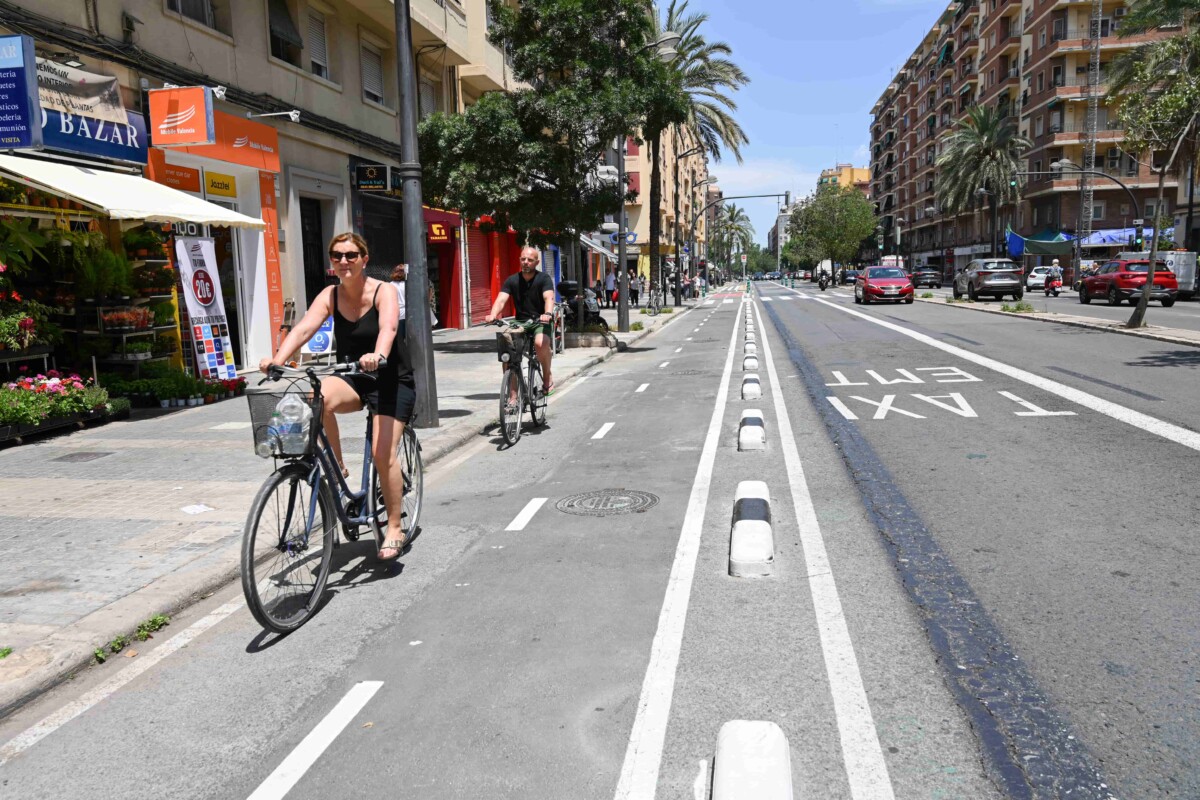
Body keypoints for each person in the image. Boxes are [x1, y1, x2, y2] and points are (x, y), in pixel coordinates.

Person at [260, 233, 415, 562]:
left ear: (364, 258)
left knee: (380, 451)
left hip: (390, 379)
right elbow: (304, 329)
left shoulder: (383, 290)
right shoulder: (330, 294)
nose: (343, 261)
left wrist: (378, 354)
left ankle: (395, 527)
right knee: (316, 394)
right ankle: (338, 467)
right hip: (354, 377)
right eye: (336, 256)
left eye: (350, 255)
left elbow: (388, 328)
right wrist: (277, 360)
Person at [485, 246, 556, 395]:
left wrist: (547, 313)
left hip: (540, 321)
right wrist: (493, 314)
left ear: (536, 262)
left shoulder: (544, 278)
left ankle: (547, 376)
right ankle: (513, 395)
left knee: (540, 343)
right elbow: (501, 300)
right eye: (523, 259)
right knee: (507, 350)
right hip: (520, 322)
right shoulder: (512, 280)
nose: (525, 262)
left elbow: (548, 297)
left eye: (530, 260)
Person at [390, 264, 407, 341]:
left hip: (396, 314)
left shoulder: (390, 285)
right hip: (408, 313)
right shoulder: (408, 285)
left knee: (399, 338)